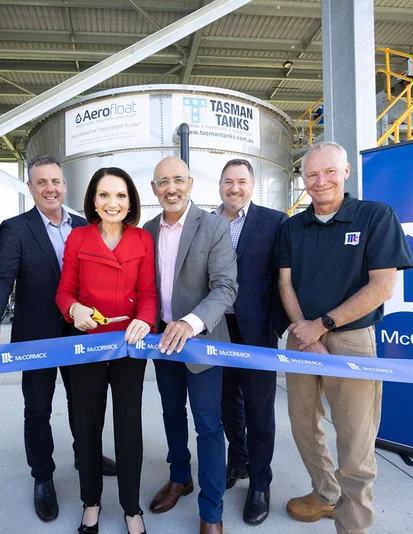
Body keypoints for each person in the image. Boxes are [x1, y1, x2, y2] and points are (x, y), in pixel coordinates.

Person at [0, 155, 116, 524]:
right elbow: (0, 279)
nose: (50, 188)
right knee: (38, 409)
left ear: (65, 186)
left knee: (86, 404)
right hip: (36, 336)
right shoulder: (15, 228)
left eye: (55, 182)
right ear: (31, 188)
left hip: (83, 335)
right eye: (41, 182)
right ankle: (43, 476)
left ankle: (86, 456)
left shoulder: (87, 225)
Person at [278, 142, 413, 533]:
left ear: (347, 172)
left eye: (329, 172)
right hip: (302, 338)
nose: (320, 182)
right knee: (303, 424)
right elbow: (285, 284)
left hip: (352, 341)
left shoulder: (375, 217)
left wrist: (322, 325)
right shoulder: (292, 227)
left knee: (355, 441)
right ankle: (325, 494)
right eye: (312, 175)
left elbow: (382, 286)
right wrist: (304, 331)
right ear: (302, 179)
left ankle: (352, 524)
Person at [55, 167, 157, 534]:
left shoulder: (143, 239)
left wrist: (145, 320)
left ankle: (132, 507)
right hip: (87, 347)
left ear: (130, 201)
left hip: (129, 346)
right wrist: (73, 310)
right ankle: (91, 504)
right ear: (92, 201)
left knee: (128, 428)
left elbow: (148, 294)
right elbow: (64, 292)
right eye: (104, 195)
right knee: (87, 427)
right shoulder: (78, 238)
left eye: (120, 196)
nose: (112, 203)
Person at [143, 156, 238, 534]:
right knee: (170, 413)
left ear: (190, 183)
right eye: (163, 182)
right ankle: (180, 477)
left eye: (178, 180)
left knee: (209, 425)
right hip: (160, 341)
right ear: (154, 188)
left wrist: (190, 322)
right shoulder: (146, 230)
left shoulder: (214, 226)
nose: (171, 188)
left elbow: (225, 287)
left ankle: (211, 511)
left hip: (202, 343)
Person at [213, 158, 288, 526]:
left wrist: (277, 326)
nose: (234, 188)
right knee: (227, 404)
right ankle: (238, 459)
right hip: (215, 332)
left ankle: (260, 483)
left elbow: (285, 278)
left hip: (257, 333)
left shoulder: (275, 222)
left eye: (241, 181)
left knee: (260, 412)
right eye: (228, 181)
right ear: (220, 185)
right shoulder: (206, 222)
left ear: (252, 185)